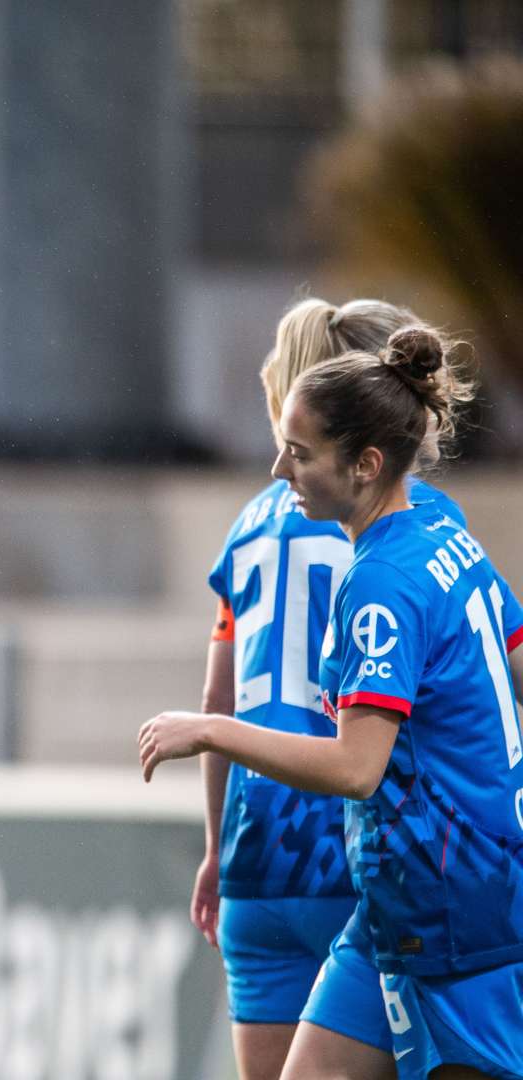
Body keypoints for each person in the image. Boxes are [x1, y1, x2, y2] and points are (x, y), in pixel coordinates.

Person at [141, 325, 523, 1080]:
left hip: (458, 910)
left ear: (365, 465)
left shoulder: (381, 581)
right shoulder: (445, 537)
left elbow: (355, 767)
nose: (280, 468)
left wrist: (215, 731)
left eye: (301, 452)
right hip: (394, 905)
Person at [196, 299, 468, 1080]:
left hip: (256, 861)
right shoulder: (407, 519)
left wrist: (217, 849)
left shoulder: (250, 523)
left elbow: (221, 699)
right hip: (359, 860)